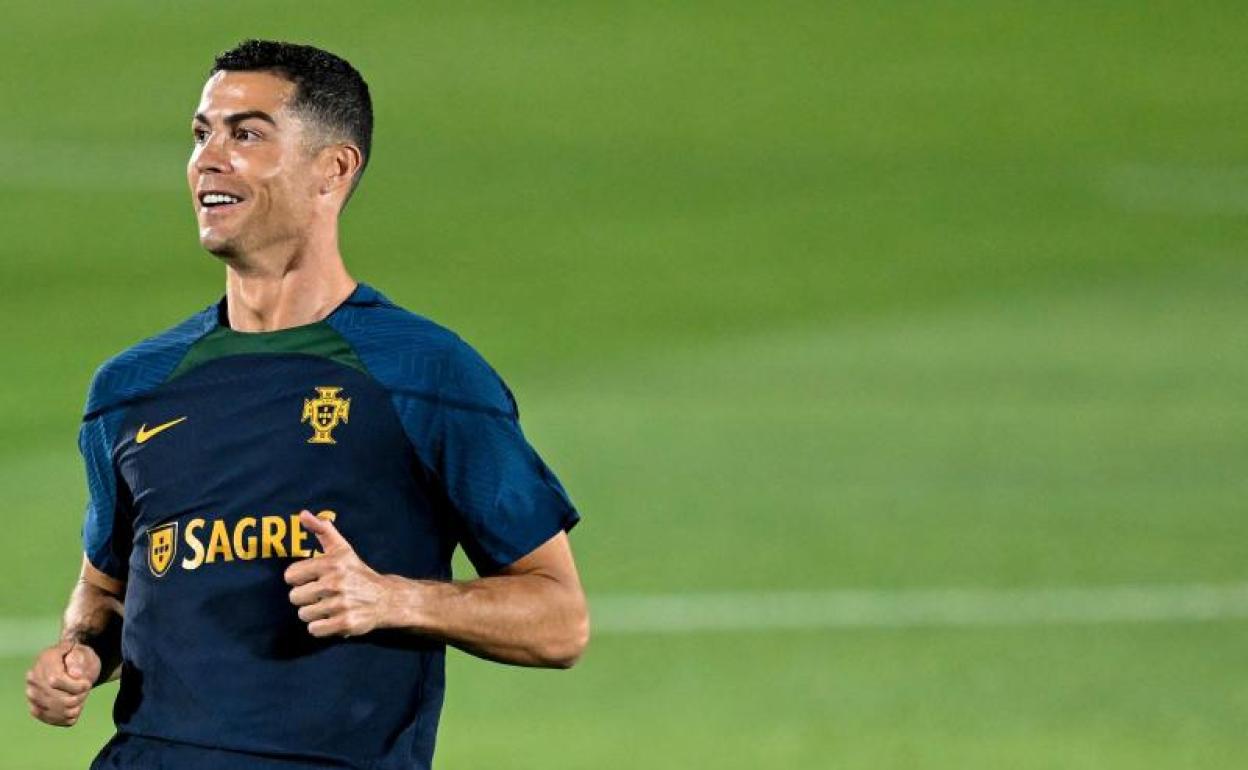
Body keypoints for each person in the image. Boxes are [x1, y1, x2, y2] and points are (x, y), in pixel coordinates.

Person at [24, 39, 589, 770]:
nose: (208, 159)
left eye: (246, 133)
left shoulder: (423, 373)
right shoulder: (130, 387)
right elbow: (104, 589)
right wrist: (79, 654)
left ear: (334, 168)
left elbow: (558, 620)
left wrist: (392, 600)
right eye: (202, 134)